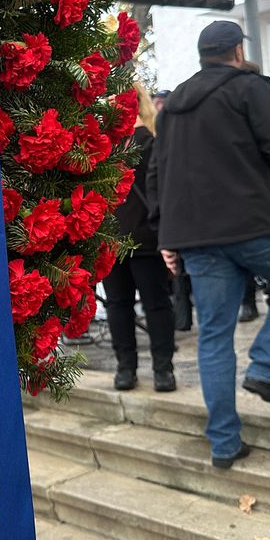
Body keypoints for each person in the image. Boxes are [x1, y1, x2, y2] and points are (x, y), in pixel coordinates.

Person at [150, 21, 270, 469]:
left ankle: (224, 444)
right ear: (237, 51)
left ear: (203, 54)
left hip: (198, 238)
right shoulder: (248, 87)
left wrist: (167, 235)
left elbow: (159, 172)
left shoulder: (171, 107)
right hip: (255, 223)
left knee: (214, 337)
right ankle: (263, 367)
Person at [102, 87, 176, 392]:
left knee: (147, 305)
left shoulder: (150, 138)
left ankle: (151, 368)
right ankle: (138, 368)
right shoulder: (103, 142)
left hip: (143, 236)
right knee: (126, 305)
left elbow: (163, 188)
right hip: (113, 238)